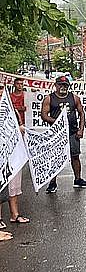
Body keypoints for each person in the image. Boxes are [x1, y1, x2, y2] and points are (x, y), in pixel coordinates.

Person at [41, 75, 86, 192]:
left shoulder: (74, 98)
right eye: (61, 85)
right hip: (57, 134)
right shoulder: (49, 99)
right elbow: (43, 115)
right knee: (55, 157)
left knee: (75, 156)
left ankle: (78, 179)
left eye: (65, 85)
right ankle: (52, 183)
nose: (63, 87)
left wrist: (81, 129)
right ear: (55, 85)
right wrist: (57, 122)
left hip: (72, 132)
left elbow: (82, 113)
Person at [0, 84, 29, 227]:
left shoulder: (12, 110)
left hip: (12, 154)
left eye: (2, 89)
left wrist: (21, 129)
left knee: (14, 186)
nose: (0, 92)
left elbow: (20, 124)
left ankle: (14, 214)